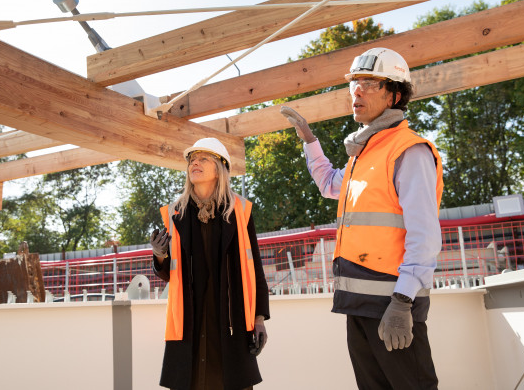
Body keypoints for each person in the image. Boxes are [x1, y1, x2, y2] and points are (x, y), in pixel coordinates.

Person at [281, 47, 443, 389]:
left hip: (393, 305)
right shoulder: (364, 155)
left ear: (395, 94)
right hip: (357, 304)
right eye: (355, 82)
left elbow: (425, 236)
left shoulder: (409, 151)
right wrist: (310, 140)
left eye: (369, 83)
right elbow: (329, 184)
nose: (356, 90)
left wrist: (402, 302)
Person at [150, 137, 270, 390]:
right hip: (189, 321)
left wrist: (259, 318)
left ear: (220, 168)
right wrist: (159, 255)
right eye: (192, 160)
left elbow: (255, 269)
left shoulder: (240, 211)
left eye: (203, 158)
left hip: (230, 320)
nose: (195, 163)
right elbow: (170, 273)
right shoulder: (175, 213)